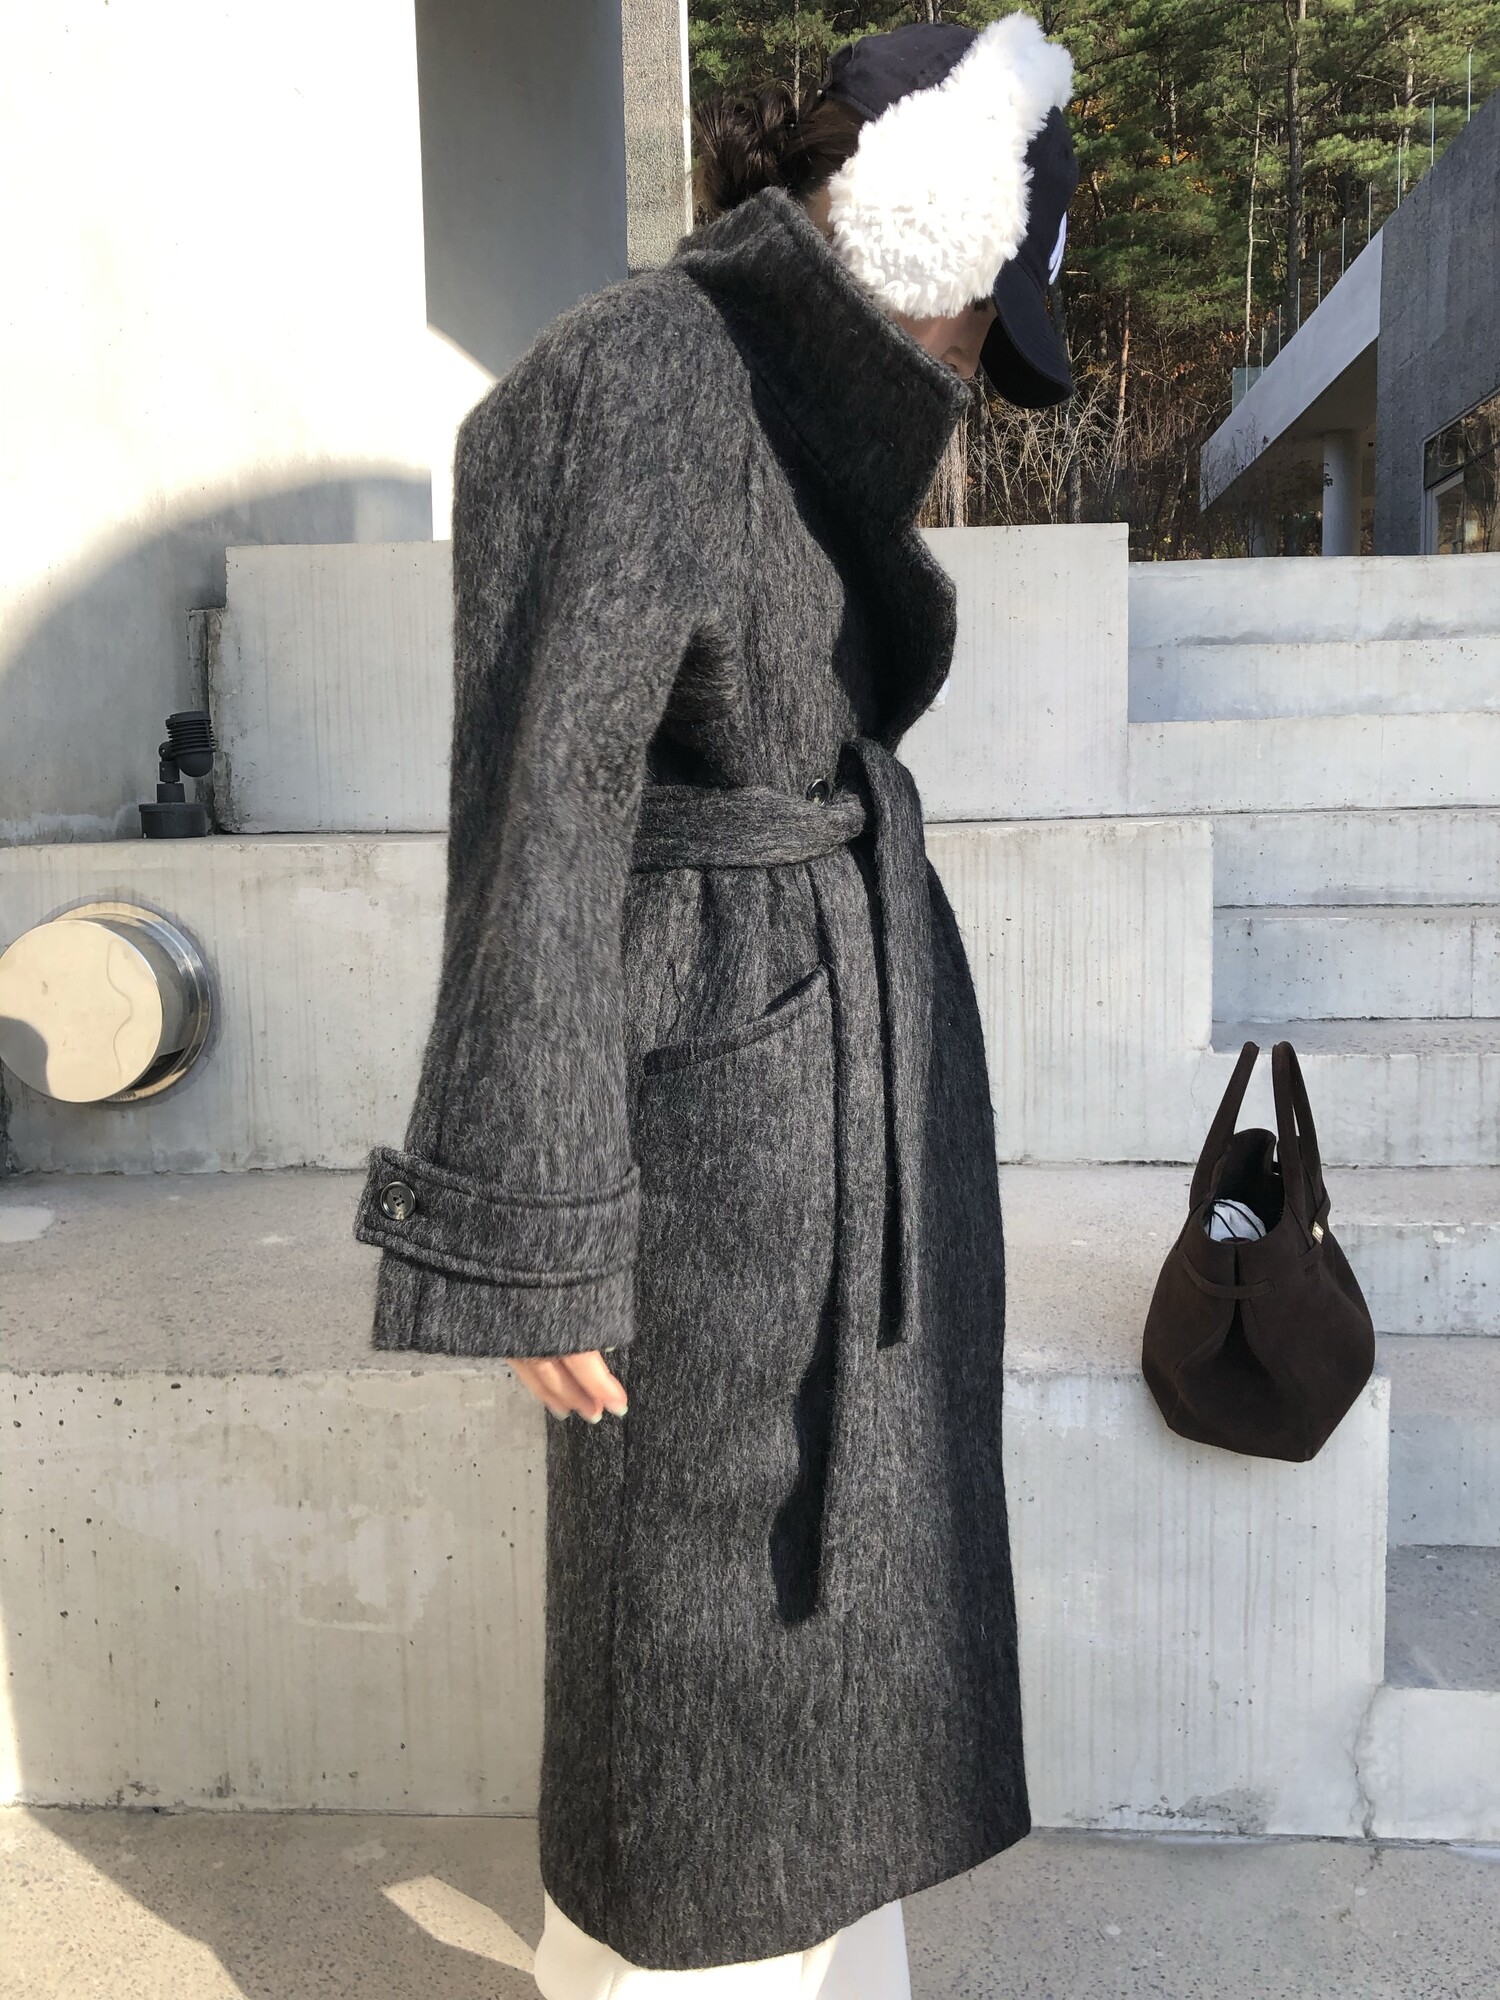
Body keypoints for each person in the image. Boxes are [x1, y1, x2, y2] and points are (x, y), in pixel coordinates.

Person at [351, 13, 1080, 1996]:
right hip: (715, 1117)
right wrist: (537, 1224)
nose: (970, 363)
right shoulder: (648, 373)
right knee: (702, 1712)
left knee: (836, 1679)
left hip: (842, 1074)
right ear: (918, 214)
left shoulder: (778, 396)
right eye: (982, 309)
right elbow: (545, 805)